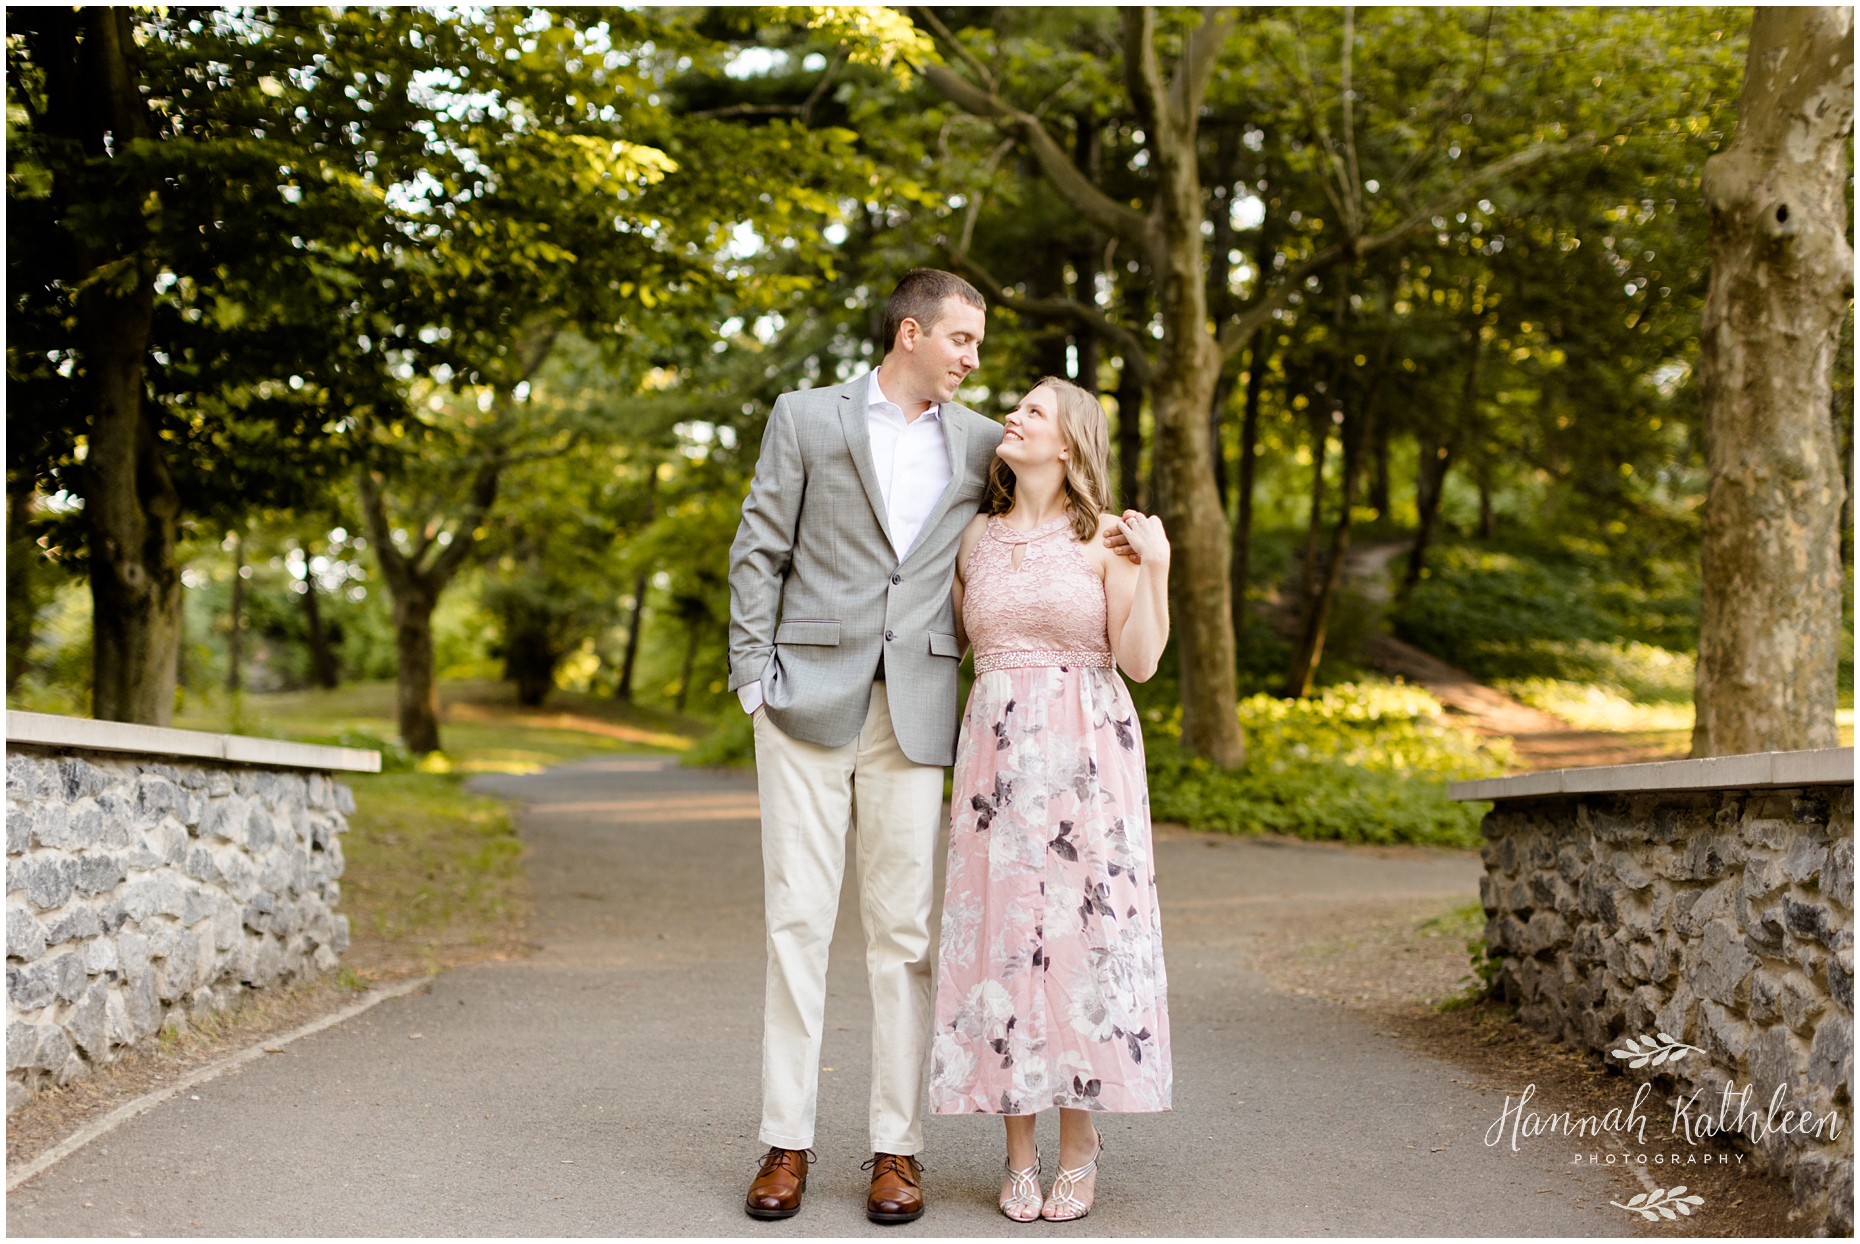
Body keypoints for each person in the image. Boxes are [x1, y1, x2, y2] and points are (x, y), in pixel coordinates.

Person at [726, 269, 1000, 1224]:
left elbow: (1035, 525)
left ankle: (897, 1150)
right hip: (803, 701)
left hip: (917, 712)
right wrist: (753, 679)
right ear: (912, 332)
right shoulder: (806, 416)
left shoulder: (981, 444)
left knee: (904, 940)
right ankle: (786, 1142)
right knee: (796, 924)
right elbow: (759, 545)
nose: (973, 358)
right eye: (962, 339)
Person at [929, 377, 1174, 1223]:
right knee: (1003, 945)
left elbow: (1137, 660)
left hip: (1087, 759)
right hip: (996, 763)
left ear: (1067, 441)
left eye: (1032, 410)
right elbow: (951, 647)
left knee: (1081, 943)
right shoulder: (975, 538)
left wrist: (1161, 570)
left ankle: (1080, 1147)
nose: (1014, 417)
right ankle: (1017, 1152)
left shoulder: (1108, 539)